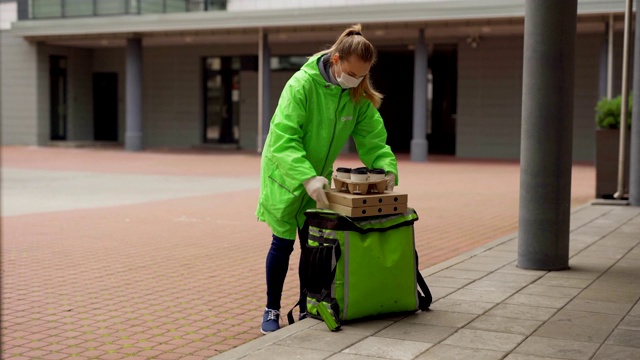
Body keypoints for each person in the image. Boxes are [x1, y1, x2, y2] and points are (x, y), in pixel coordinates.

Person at [255, 24, 398, 334]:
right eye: (351, 74)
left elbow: (373, 139)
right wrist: (306, 177)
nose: (355, 81)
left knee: (313, 245)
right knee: (282, 244)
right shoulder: (301, 86)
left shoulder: (354, 94)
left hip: (316, 180)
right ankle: (272, 308)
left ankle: (310, 302)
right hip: (284, 173)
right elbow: (283, 138)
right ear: (335, 60)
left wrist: (386, 171)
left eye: (361, 76)